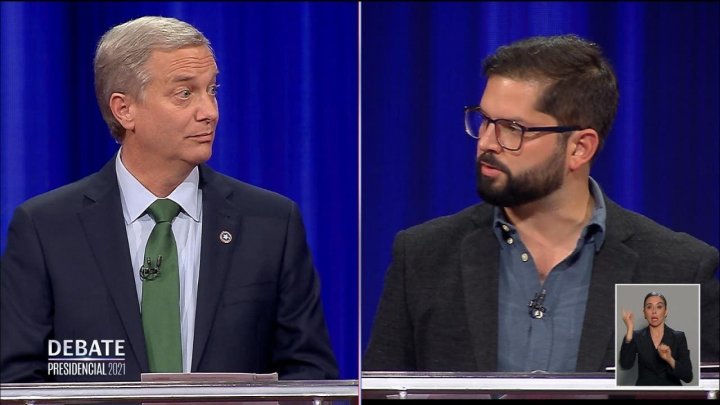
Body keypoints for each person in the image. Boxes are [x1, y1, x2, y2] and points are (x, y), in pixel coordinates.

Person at [0, 16, 338, 382]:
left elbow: (309, 375)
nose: (209, 112)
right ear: (124, 109)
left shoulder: (272, 223)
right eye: (185, 93)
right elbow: (18, 379)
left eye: (212, 90)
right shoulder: (45, 229)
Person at [363, 34, 719, 372]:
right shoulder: (425, 256)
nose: (487, 142)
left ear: (579, 148)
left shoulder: (671, 270)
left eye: (512, 128)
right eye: (484, 120)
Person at [619, 292, 693, 385]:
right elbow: (625, 365)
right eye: (649, 307)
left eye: (659, 307)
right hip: (644, 394)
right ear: (644, 313)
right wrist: (629, 330)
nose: (654, 311)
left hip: (671, 395)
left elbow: (688, 376)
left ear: (666, 312)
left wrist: (670, 359)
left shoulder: (678, 337)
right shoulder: (636, 336)